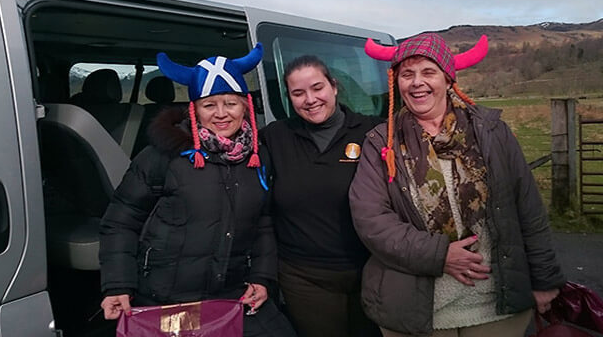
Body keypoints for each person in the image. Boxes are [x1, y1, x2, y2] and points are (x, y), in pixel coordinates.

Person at [349, 33, 566, 337]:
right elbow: (370, 219)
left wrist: (544, 278)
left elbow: (527, 208)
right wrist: (440, 255)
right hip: (418, 310)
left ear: (448, 79)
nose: (416, 82)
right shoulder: (381, 142)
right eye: (407, 74)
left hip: (494, 305)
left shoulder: (492, 132)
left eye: (428, 72)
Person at [99, 43, 296, 336]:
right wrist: (117, 284)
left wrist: (262, 277)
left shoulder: (258, 156)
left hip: (232, 293)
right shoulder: (161, 156)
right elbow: (120, 222)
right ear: (193, 109)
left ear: (246, 106)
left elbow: (263, 222)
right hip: (166, 299)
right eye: (209, 105)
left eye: (230, 103)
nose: (221, 114)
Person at [261, 55, 382, 337]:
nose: (310, 99)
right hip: (304, 277)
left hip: (371, 270)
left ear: (334, 86)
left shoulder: (372, 131)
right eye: (298, 93)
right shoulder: (276, 136)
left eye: (317, 88)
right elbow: (227, 140)